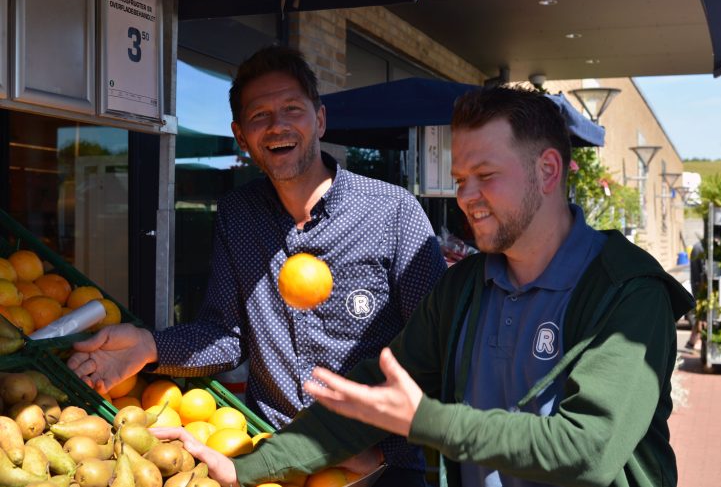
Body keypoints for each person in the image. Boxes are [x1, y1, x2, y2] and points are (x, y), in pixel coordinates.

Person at [155, 85, 694, 487]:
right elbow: (369, 399)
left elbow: (590, 451)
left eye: (487, 175)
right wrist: (245, 466)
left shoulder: (626, 292)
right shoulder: (463, 289)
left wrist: (426, 421)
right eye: (460, 180)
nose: (467, 196)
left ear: (548, 171)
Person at [67, 45, 447, 486]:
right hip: (272, 457)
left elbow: (442, 351)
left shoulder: (392, 212)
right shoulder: (237, 215)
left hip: (379, 469)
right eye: (259, 116)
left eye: (292, 109)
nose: (277, 125)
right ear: (241, 135)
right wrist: (149, 347)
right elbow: (226, 336)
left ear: (319, 119)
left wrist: (384, 452)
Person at [684, 240, 705, 351]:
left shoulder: (697, 247)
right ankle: (696, 341)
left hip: (700, 289)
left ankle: (692, 341)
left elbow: (694, 279)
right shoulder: (699, 248)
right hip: (702, 290)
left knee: (701, 314)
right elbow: (696, 279)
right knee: (702, 315)